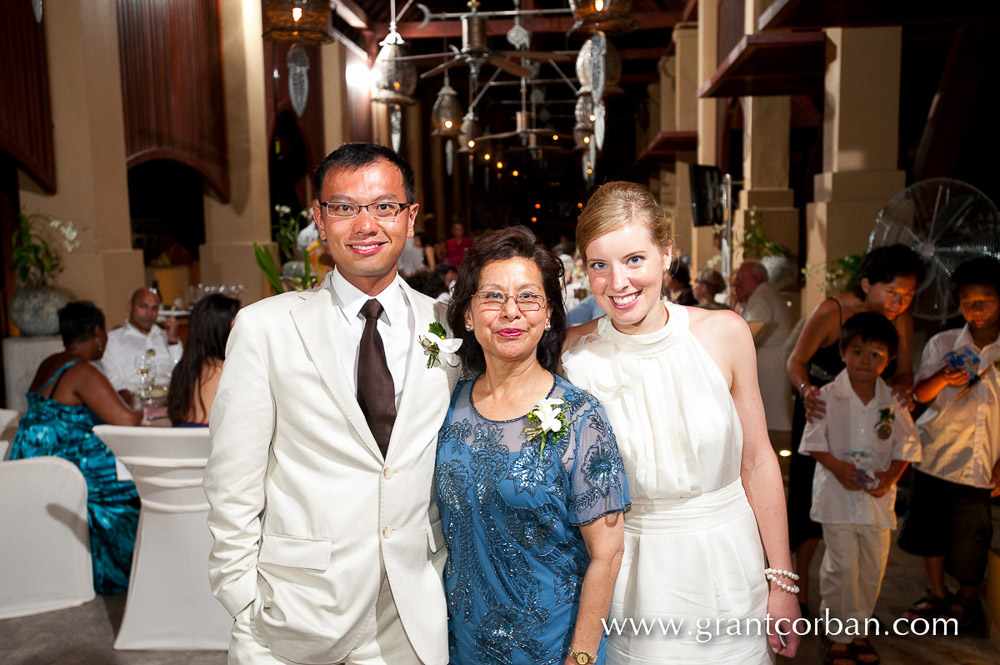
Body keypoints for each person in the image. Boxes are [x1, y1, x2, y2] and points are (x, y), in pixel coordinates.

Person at [204, 143, 461, 665]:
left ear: (410, 218)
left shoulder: (450, 326)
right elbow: (232, 480)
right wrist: (243, 600)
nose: (365, 224)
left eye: (384, 206)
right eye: (344, 208)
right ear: (320, 221)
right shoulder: (265, 327)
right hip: (292, 617)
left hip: (410, 615)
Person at [562, 182, 800, 663]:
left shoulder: (724, 334)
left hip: (730, 562)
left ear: (666, 254)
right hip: (632, 575)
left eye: (634, 260)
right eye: (599, 265)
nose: (617, 282)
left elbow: (756, 461)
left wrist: (783, 581)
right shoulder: (570, 354)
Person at [438, 226, 629, 665]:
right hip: (459, 645)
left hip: (552, 647)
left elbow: (608, 554)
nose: (510, 312)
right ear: (467, 314)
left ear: (547, 316)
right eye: (492, 297)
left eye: (528, 297)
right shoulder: (448, 406)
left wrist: (579, 659)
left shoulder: (581, 418)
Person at [785, 244, 924, 614]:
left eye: (907, 296)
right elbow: (796, 361)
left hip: (873, 408)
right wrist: (806, 391)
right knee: (809, 494)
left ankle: (851, 606)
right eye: (892, 292)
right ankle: (800, 585)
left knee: (857, 495)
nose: (899, 302)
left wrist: (904, 390)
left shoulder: (901, 319)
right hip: (821, 402)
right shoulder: (835, 309)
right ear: (866, 284)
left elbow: (906, 371)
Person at [800, 313, 920, 665]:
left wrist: (891, 477)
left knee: (871, 568)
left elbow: (907, 446)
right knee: (840, 566)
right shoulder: (826, 396)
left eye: (876, 355)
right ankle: (837, 634)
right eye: (857, 352)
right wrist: (838, 468)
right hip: (836, 497)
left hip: (876, 501)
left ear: (890, 359)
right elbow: (813, 442)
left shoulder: (893, 402)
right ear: (842, 353)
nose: (865, 362)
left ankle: (859, 630)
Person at [9, 301, 142, 594]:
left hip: (34, 458)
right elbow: (128, 421)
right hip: (68, 467)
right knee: (135, 482)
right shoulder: (82, 371)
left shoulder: (51, 363)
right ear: (97, 331)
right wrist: (134, 401)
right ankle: (130, 569)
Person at [897, 256, 1000, 632]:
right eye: (967, 301)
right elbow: (920, 394)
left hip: (979, 458)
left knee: (972, 534)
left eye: (985, 300)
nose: (975, 309)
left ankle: (967, 598)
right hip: (935, 452)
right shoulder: (943, 342)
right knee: (930, 530)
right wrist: (944, 376)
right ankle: (936, 592)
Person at [733, 260, 794, 433]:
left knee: (768, 420)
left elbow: (748, 332)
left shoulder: (761, 296)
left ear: (758, 277)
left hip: (769, 361)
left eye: (742, 278)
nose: (738, 283)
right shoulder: (767, 292)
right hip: (773, 357)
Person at [167, 294, 240, 427]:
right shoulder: (225, 372)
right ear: (221, 329)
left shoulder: (182, 371)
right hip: (212, 445)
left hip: (184, 445)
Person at [100, 287, 183, 398]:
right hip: (135, 403)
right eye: (143, 307)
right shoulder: (113, 339)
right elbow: (114, 382)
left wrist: (173, 342)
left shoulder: (167, 336)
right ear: (130, 307)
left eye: (154, 308)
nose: (149, 313)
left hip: (173, 400)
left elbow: (182, 374)